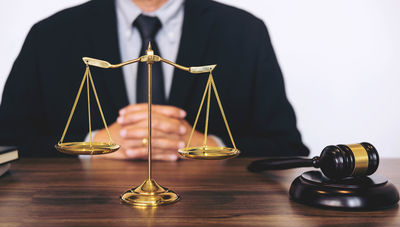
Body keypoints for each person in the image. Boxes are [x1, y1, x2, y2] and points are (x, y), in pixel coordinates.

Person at [0, 0, 309, 160]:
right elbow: (7, 144)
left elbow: (288, 148)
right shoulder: (50, 36)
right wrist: (89, 148)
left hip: (212, 225)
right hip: (81, 226)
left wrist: (211, 145)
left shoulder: (245, 32)